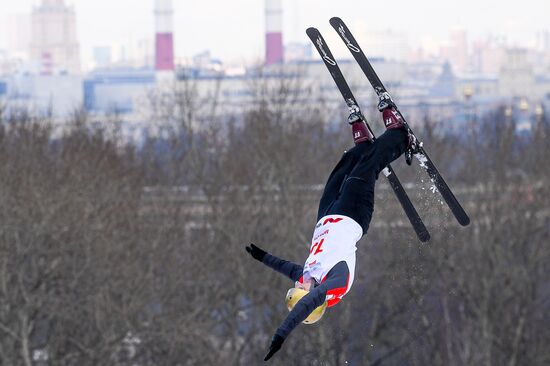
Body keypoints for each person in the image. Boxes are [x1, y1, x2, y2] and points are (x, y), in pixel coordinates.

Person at [245, 96, 416, 361]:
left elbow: (286, 267)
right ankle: (401, 136)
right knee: (366, 170)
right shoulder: (335, 283)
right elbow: (308, 305)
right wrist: (281, 334)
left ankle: (362, 146)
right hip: (354, 214)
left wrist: (262, 257)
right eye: (302, 287)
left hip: (327, 215)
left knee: (338, 175)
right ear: (312, 294)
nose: (299, 280)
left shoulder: (307, 274)